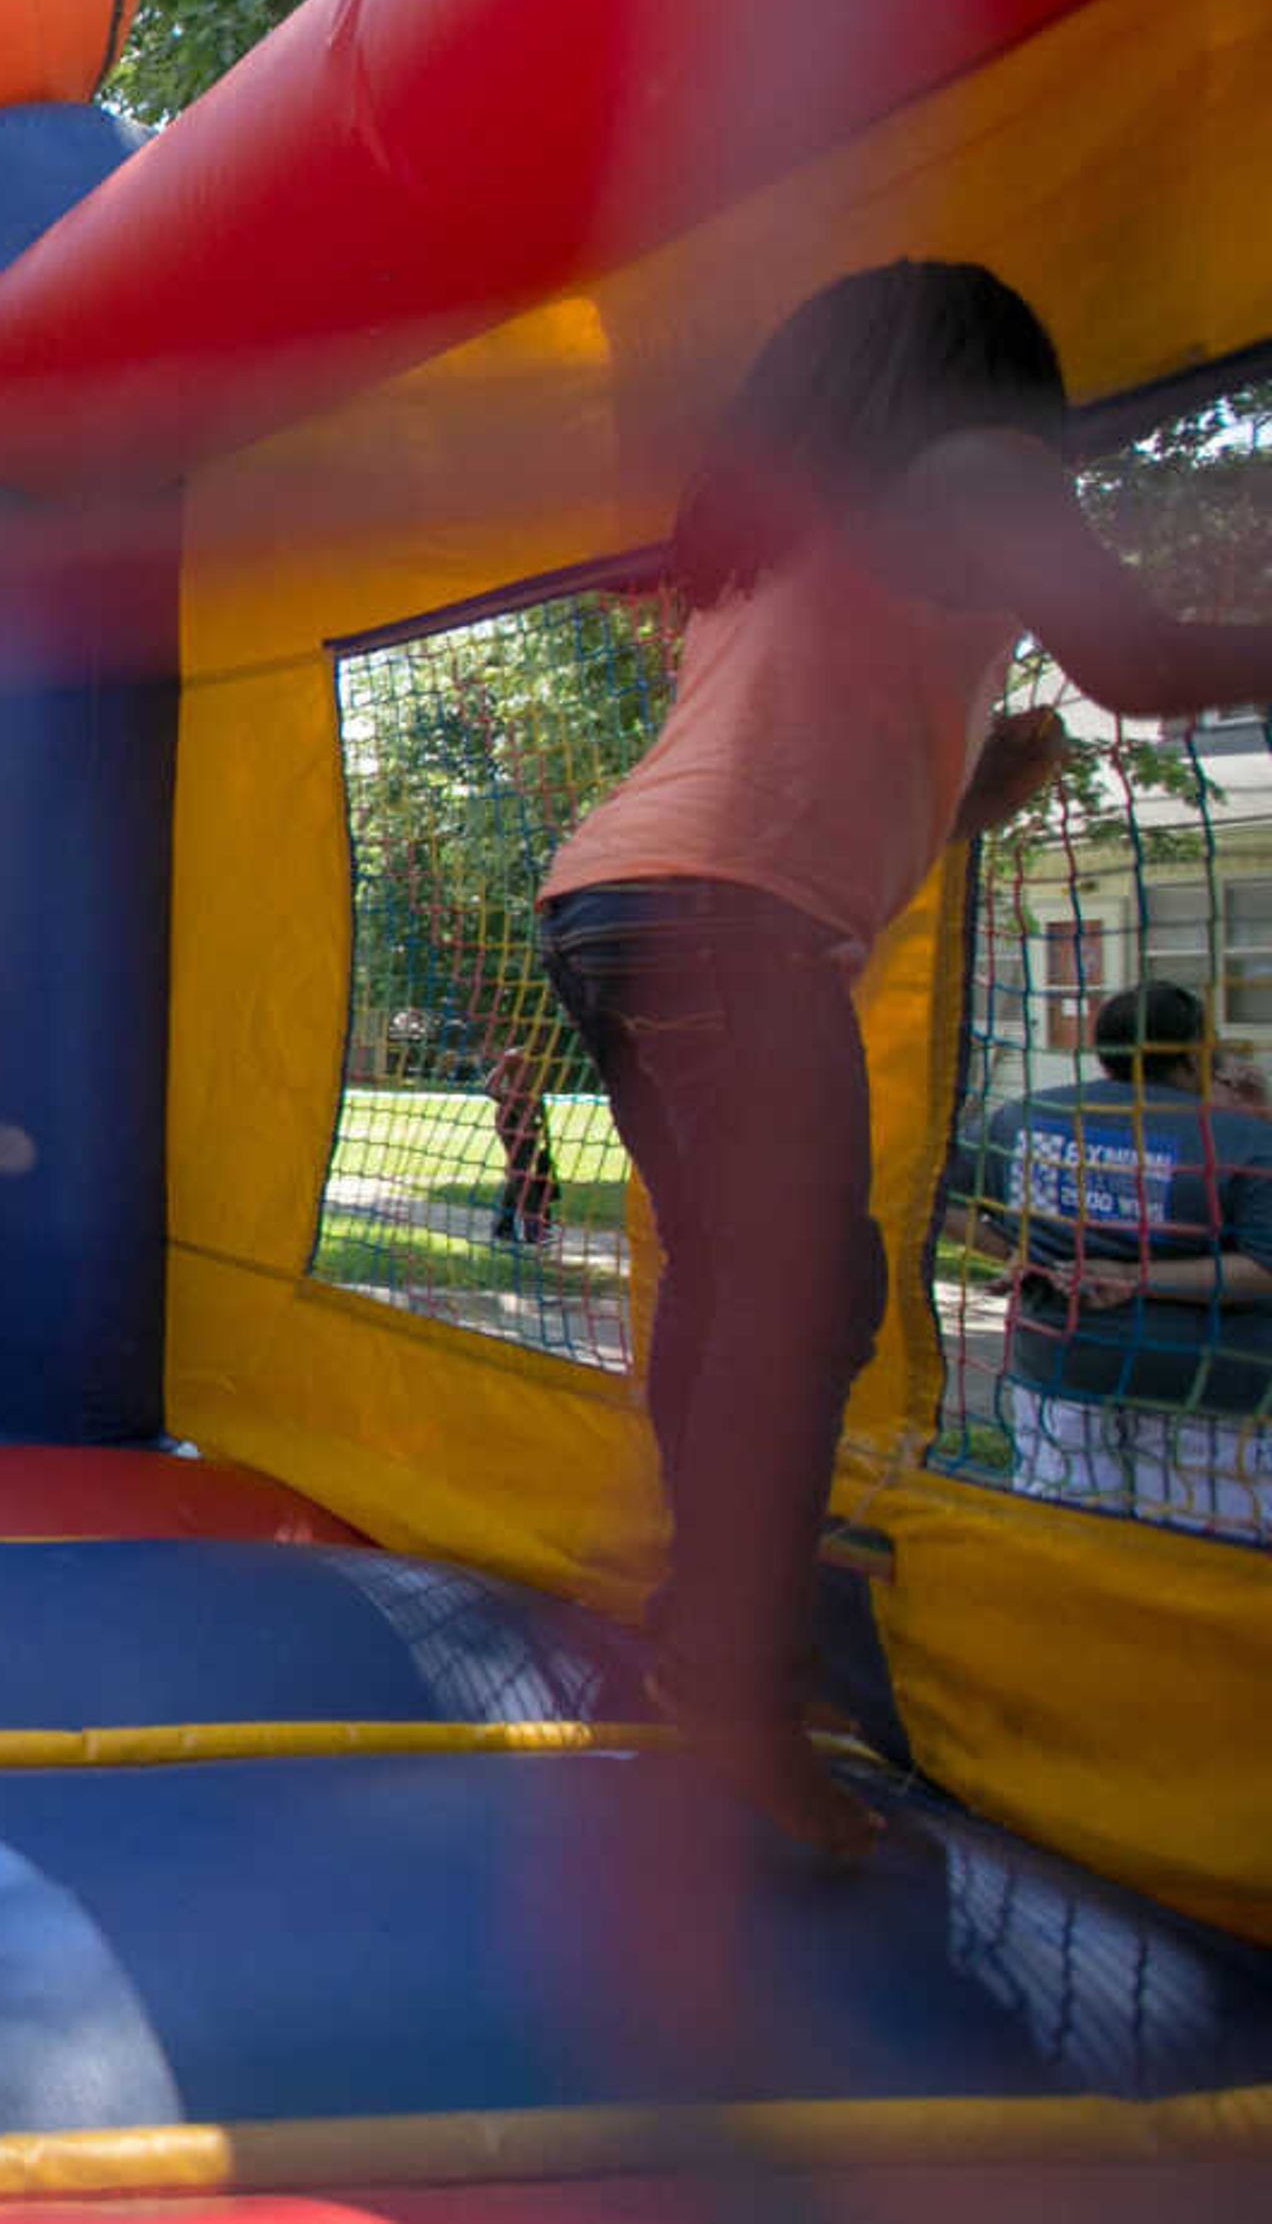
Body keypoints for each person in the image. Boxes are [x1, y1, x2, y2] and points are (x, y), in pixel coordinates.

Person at [533, 260, 1272, 1854]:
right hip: (726, 921)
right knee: (804, 1299)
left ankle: (702, 1635)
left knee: (744, 1287)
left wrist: (975, 790)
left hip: (609, 905)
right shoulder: (986, 469)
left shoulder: (782, 532)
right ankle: (729, 1686)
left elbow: (804, 774)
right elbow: (1136, 664)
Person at [955, 979, 1272, 1541]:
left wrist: (1010, 1249)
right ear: (1198, 1050)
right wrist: (1133, 1276)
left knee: (1066, 1547)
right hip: (1206, 1394)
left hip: (1058, 1373)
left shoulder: (1026, 1117)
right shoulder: (1241, 1139)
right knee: (1199, 1568)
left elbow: (929, 1188)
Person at [483, 1038, 559, 1246]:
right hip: (510, 1120)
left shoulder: (545, 1061)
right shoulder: (514, 1056)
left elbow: (538, 1096)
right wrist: (515, 1106)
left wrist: (543, 1128)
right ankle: (533, 1228)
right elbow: (490, 1088)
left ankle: (504, 1225)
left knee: (521, 1173)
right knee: (522, 1173)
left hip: (531, 1122)